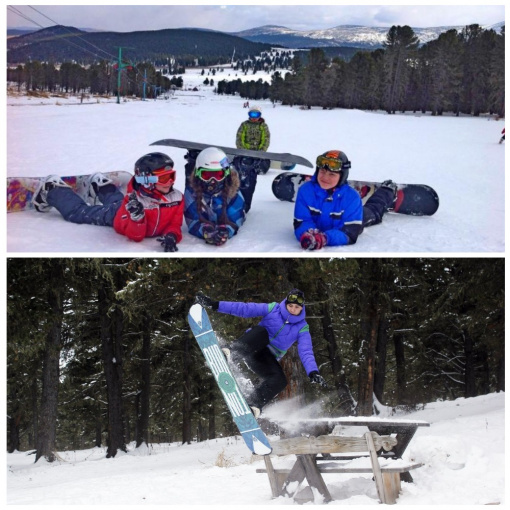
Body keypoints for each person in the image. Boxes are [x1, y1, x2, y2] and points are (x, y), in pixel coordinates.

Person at [195, 288, 326, 418]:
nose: (292, 309)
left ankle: (253, 405)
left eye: (296, 307)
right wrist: (215, 304)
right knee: (262, 332)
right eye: (290, 305)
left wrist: (313, 371)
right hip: (251, 346)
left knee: (280, 380)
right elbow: (244, 309)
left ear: (301, 309)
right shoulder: (273, 308)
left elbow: (306, 350)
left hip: (263, 359)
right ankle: (230, 353)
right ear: (286, 303)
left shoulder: (302, 327)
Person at [32, 152, 184, 252]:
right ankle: (53, 189)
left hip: (121, 205)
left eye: (172, 176)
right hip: (117, 216)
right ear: (147, 181)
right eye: (164, 178)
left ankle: (100, 185)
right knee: (79, 213)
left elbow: (174, 224)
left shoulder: (177, 198)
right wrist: (137, 219)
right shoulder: (133, 203)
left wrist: (172, 235)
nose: (169, 182)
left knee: (115, 200)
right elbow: (135, 236)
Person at [294, 150, 398, 249]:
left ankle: (387, 191)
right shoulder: (305, 191)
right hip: (337, 214)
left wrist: (325, 238)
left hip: (348, 219)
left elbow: (349, 232)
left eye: (332, 174)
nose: (325, 177)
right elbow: (302, 221)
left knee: (372, 210)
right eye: (322, 171)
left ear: (342, 177)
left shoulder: (352, 198)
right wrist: (307, 234)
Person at [184, 147, 245, 246]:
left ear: (226, 174)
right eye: (206, 175)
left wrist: (226, 230)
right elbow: (191, 218)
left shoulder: (233, 193)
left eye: (218, 175)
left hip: (227, 201)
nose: (213, 180)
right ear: (198, 173)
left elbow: (236, 218)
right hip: (205, 204)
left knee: (247, 202)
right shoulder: (191, 193)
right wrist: (204, 230)